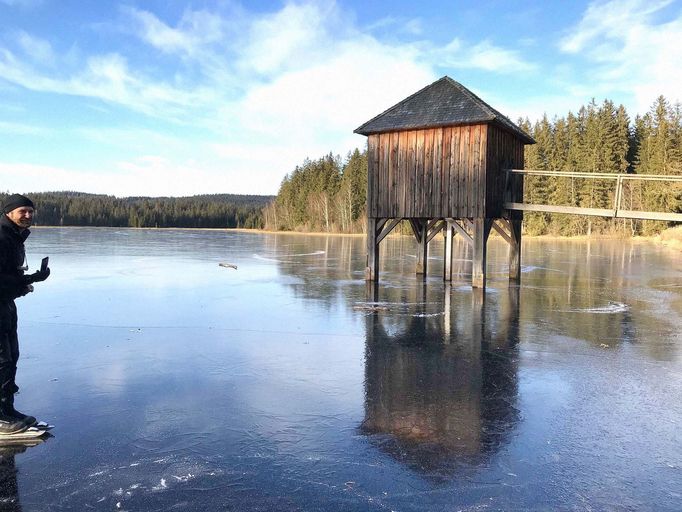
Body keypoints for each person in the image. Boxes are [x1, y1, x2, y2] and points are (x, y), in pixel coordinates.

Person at [0, 194, 50, 434]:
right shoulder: (1, 236)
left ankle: (7, 410)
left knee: (11, 357)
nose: (28, 216)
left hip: (6, 304)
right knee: (1, 360)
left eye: (31, 211)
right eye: (23, 211)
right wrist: (25, 281)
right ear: (9, 212)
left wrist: (29, 280)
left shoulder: (14, 235)